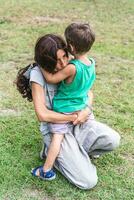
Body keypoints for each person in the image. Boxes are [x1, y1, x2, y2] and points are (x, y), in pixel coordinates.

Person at [16, 33, 120, 189]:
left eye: (64, 56)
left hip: (79, 121)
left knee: (113, 139)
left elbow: (88, 92)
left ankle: (74, 154)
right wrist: (73, 117)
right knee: (87, 181)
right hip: (58, 129)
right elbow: (42, 114)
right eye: (56, 61)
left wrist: (86, 110)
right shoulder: (38, 74)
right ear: (45, 61)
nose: (63, 63)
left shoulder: (72, 65)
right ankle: (53, 153)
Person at [33, 23, 96, 180]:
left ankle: (45, 170)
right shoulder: (91, 64)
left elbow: (51, 78)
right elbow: (88, 90)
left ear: (72, 47)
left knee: (57, 141)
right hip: (79, 110)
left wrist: (39, 64)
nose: (62, 62)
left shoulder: (72, 67)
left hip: (64, 110)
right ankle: (76, 155)